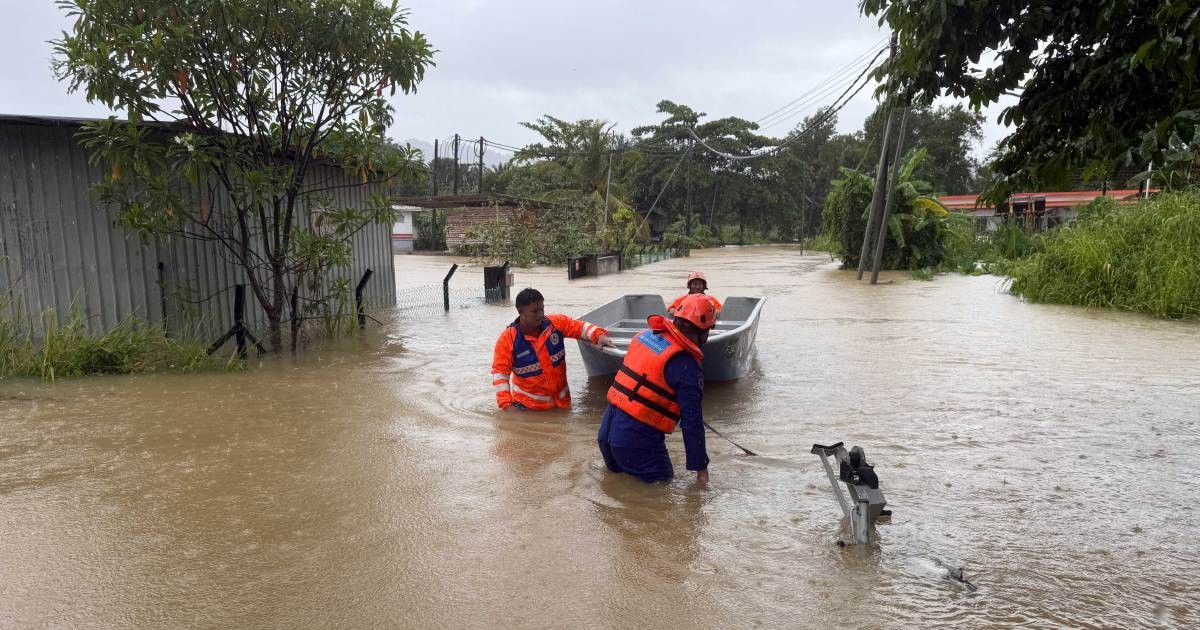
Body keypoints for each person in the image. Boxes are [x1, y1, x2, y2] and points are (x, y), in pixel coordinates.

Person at [597, 293, 715, 483]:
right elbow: (692, 422)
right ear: (704, 332)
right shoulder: (686, 364)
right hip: (635, 441)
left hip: (606, 435)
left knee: (619, 491)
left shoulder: (645, 336)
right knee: (660, 498)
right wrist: (702, 471)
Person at [492, 288, 613, 411]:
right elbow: (500, 375)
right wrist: (507, 407)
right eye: (535, 311)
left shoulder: (555, 324)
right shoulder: (508, 339)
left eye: (542, 309)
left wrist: (599, 335)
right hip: (528, 409)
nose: (540, 314)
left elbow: (580, 328)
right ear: (520, 311)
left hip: (562, 405)